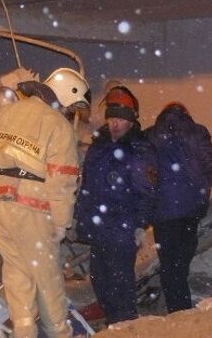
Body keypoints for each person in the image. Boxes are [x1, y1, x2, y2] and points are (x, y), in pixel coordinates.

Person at [0, 68, 89, 338]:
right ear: (65, 95)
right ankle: (58, 332)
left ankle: (24, 330)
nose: (69, 112)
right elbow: (62, 181)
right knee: (47, 276)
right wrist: (61, 222)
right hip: (33, 206)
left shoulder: (6, 112)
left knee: (16, 271)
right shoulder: (57, 125)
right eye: (71, 107)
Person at [75, 85, 157, 324]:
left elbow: (147, 192)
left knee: (120, 283)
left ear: (131, 122)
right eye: (112, 118)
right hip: (99, 227)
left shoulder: (139, 149)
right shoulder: (98, 146)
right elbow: (88, 186)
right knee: (100, 278)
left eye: (121, 119)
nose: (115, 123)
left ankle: (124, 323)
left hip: (122, 228)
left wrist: (140, 225)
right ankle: (114, 321)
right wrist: (82, 215)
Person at [145, 102, 212, 313]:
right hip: (192, 211)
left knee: (169, 265)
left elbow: (142, 171)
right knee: (181, 263)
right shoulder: (198, 132)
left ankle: (177, 309)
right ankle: (180, 307)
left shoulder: (150, 135)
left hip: (164, 213)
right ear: (186, 114)